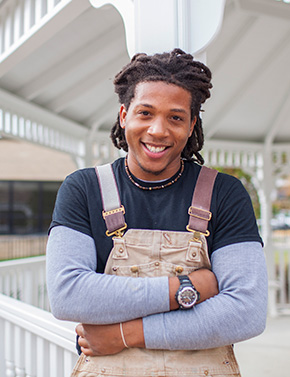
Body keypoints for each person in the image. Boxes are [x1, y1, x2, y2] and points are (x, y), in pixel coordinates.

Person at [46, 49, 268, 377]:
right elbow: (68, 295)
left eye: (176, 117)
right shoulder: (84, 188)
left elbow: (246, 311)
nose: (158, 131)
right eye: (145, 113)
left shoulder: (225, 193)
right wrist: (187, 288)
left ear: (192, 125)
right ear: (124, 116)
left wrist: (124, 334)